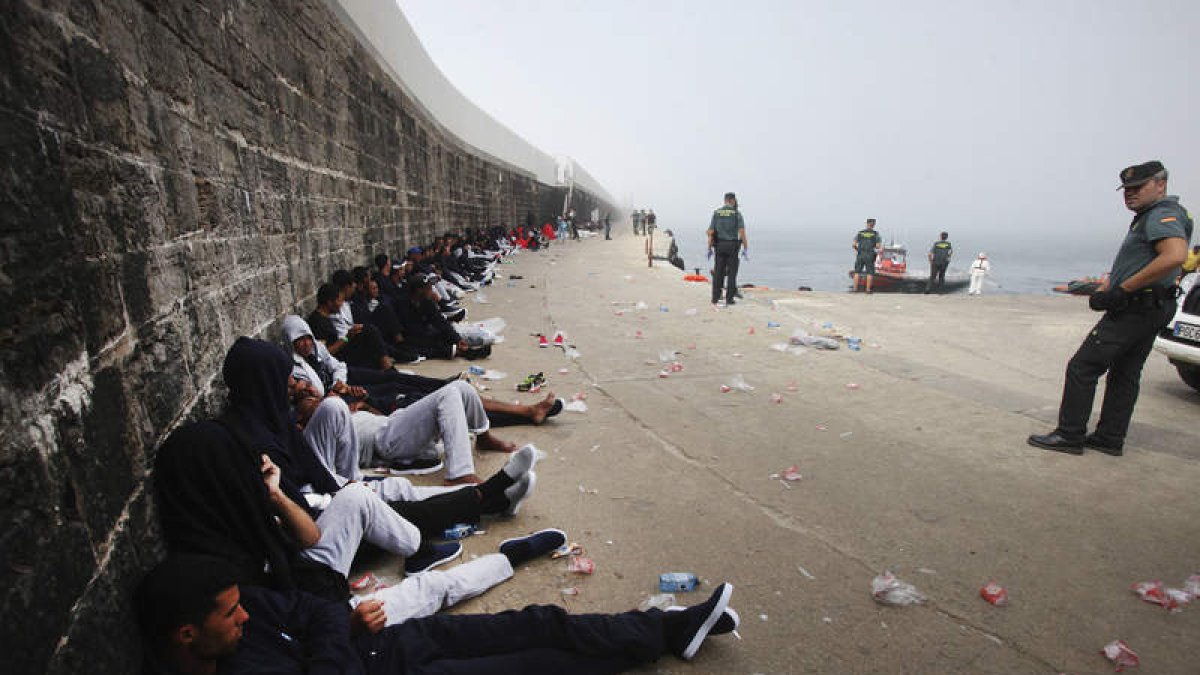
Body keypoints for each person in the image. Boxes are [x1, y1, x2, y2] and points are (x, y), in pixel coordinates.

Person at [135, 554, 739, 675]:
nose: (244, 619)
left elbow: (315, 610)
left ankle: (668, 627)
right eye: (230, 616)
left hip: (395, 645)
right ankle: (657, 639)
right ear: (187, 635)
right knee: (538, 660)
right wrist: (336, 637)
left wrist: (338, 633)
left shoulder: (248, 614)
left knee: (534, 620)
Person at [1028, 161, 1192, 456]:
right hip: (1154, 305)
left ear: (1161, 184)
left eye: (1137, 187)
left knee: (1083, 366)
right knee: (1125, 372)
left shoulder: (1160, 215)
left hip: (1136, 308)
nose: (1130, 194)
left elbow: (1174, 256)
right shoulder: (1156, 215)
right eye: (1126, 189)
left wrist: (1121, 291)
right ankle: (1109, 437)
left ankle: (1070, 434)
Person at [707, 192, 748, 306]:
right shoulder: (736, 214)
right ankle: (729, 299)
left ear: (725, 200)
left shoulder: (717, 213)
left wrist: (709, 248)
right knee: (732, 273)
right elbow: (742, 232)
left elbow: (710, 232)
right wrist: (745, 247)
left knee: (718, 272)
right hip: (732, 246)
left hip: (719, 246)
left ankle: (715, 298)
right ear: (733, 200)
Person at [851, 218, 882, 293]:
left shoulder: (860, 233)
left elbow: (853, 244)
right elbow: (878, 246)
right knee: (869, 272)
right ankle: (868, 290)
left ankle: (855, 289)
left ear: (867, 223)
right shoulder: (876, 234)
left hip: (860, 254)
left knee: (857, 272)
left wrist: (858, 250)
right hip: (870, 255)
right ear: (873, 224)